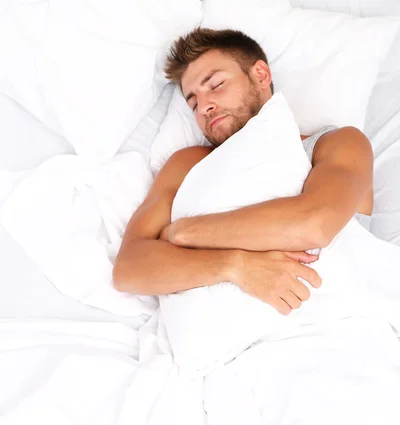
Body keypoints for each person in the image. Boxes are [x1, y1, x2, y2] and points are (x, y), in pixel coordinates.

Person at [113, 28, 374, 315]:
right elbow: (128, 268)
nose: (204, 107)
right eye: (193, 102)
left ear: (260, 75)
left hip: (334, 324)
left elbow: (315, 226)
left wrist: (183, 233)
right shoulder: (188, 164)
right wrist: (236, 266)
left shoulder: (337, 144)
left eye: (215, 85)